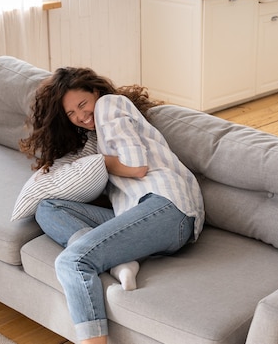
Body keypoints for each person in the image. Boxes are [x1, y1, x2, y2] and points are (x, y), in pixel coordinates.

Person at [19, 67, 205, 344]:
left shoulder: (109, 104)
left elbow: (137, 167)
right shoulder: (95, 136)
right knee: (48, 207)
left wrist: (101, 162)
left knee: (73, 262)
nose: (81, 116)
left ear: (95, 92)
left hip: (168, 206)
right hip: (142, 213)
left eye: (82, 104)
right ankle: (119, 262)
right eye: (71, 114)